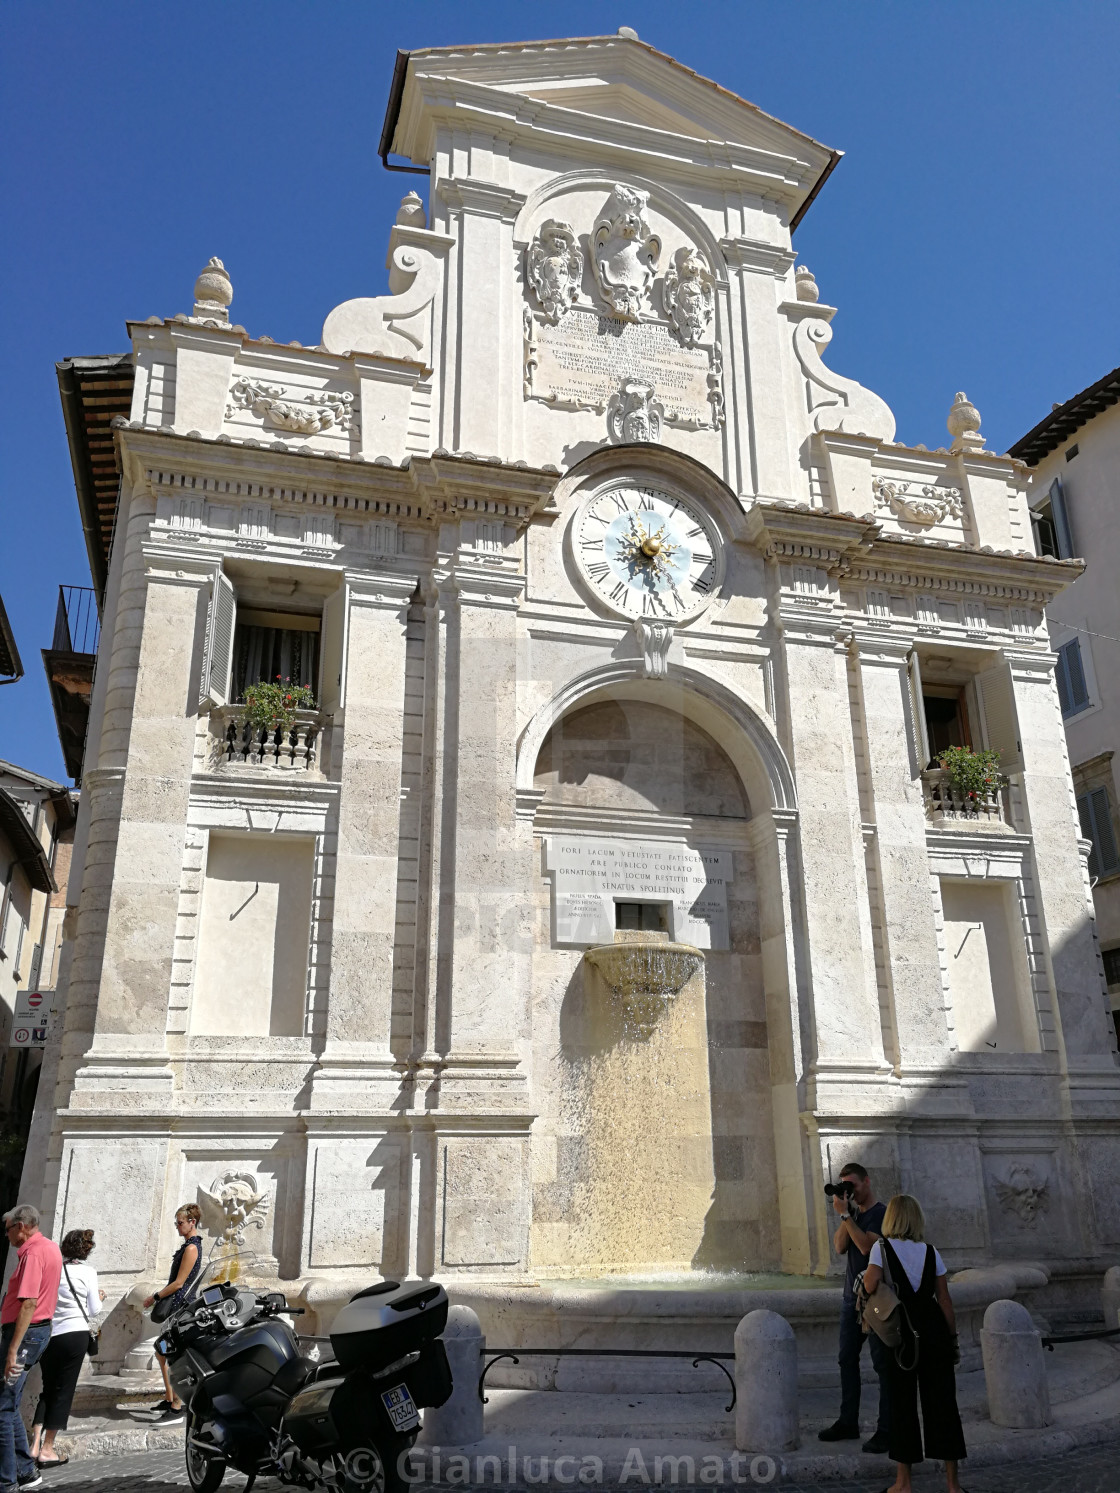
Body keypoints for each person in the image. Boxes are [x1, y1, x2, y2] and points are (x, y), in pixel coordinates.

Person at [863, 1193, 967, 1493]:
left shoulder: (880, 1248)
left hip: (901, 1334)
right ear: (917, 1219)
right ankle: (953, 1485)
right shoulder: (931, 1251)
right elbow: (944, 1300)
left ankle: (903, 1483)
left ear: (891, 1218)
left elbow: (870, 1285)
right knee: (944, 1405)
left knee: (902, 1405)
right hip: (933, 1328)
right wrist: (952, 1339)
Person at [817, 1161, 892, 1454]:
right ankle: (848, 1421)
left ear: (867, 1182)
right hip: (852, 1299)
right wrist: (846, 1216)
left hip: (875, 1300)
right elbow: (839, 1247)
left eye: (853, 1185)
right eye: (844, 1185)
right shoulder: (854, 1215)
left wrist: (848, 1215)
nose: (850, 1191)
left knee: (881, 1365)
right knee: (846, 1360)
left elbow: (866, 1247)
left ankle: (886, 1429)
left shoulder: (881, 1214)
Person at [28, 1229, 104, 1469]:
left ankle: (34, 1445)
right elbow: (94, 1310)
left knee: (48, 1389)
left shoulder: (53, 1269)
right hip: (75, 1336)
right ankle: (48, 1450)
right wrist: (100, 1296)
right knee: (63, 1391)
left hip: (51, 1334)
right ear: (86, 1250)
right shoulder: (88, 1272)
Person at [0, 1204, 62, 1493]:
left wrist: (12, 1349)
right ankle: (25, 1473)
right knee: (8, 1405)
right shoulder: (48, 1247)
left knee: (3, 1406)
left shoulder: (34, 1253)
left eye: (9, 1228)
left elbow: (28, 1303)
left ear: (22, 1226)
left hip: (25, 1335)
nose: (7, 1235)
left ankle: (7, 1480)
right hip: (36, 1333)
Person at [141, 1204, 203, 1424]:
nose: (177, 1227)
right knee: (161, 1352)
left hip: (179, 1305)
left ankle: (177, 1407)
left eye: (180, 1223)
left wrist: (154, 1297)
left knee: (170, 1353)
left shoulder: (192, 1248)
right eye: (177, 1223)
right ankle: (170, 1399)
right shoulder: (188, 1246)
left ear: (192, 1222)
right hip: (177, 1304)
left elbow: (179, 1284)